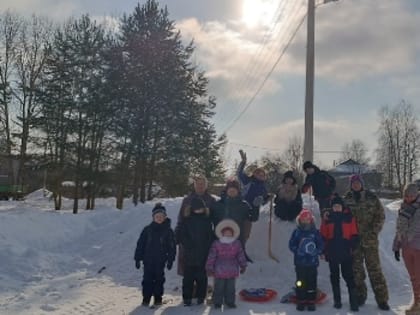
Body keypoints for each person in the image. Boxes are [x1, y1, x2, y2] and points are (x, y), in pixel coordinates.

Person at [343, 174, 390, 310]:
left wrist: (374, 232)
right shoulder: (347, 199)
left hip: (370, 241)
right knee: (357, 271)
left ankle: (382, 300)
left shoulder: (372, 198)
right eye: (353, 183)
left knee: (374, 270)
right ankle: (360, 296)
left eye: (358, 182)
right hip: (354, 241)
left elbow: (380, 216)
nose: (356, 185)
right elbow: (342, 217)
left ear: (362, 183)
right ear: (351, 185)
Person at [320, 195, 359, 312]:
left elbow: (354, 234)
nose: (337, 208)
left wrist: (352, 246)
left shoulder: (349, 218)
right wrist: (323, 250)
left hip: (346, 252)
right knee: (334, 277)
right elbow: (323, 236)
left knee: (349, 277)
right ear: (332, 207)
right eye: (335, 206)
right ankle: (337, 301)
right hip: (332, 252)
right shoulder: (327, 219)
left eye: (339, 206)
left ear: (342, 207)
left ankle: (354, 302)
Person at [134, 203, 176, 307]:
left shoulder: (168, 231)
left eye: (161, 216)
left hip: (160, 261)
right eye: (157, 217)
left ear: (165, 217)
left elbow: (172, 247)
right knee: (147, 279)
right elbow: (140, 244)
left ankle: (158, 298)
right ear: (153, 217)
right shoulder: (147, 230)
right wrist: (138, 258)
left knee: (159, 280)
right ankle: (146, 298)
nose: (159, 218)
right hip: (148, 260)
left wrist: (170, 260)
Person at [176, 197, 214, 306]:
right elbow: (182, 235)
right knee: (188, 278)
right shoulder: (186, 220)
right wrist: (188, 245)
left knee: (202, 278)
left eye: (200, 208)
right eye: (196, 208)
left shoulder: (206, 220)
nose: (198, 210)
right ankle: (187, 298)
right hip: (189, 255)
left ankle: (201, 296)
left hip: (203, 255)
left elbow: (209, 236)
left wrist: (208, 246)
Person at [175, 175, 216, 276]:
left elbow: (215, 218)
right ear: (194, 185)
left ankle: (201, 287)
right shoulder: (187, 200)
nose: (200, 186)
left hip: (204, 236)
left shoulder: (211, 200)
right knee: (188, 264)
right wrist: (178, 233)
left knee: (203, 265)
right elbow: (181, 218)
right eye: (197, 184)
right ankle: (190, 287)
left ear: (206, 186)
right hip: (188, 235)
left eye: (202, 184)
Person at [206, 219, 247, 309]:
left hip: (232, 270)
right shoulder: (217, 243)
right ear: (222, 233)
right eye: (226, 232)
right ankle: (217, 302)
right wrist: (209, 267)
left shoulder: (236, 243)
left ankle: (230, 302)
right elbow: (212, 256)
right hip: (219, 270)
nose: (228, 234)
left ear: (233, 233)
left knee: (230, 288)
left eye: (230, 233)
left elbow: (240, 255)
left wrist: (243, 265)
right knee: (218, 287)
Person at [392, 183, 420, 315]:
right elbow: (399, 230)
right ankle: (417, 302)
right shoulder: (402, 209)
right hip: (406, 248)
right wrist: (396, 247)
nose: (409, 198)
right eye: (407, 195)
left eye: (412, 195)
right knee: (413, 277)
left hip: (418, 248)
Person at [289, 209, 324, 311]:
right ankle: (301, 300)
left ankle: (311, 301)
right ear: (300, 220)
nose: (305, 221)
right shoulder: (297, 232)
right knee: (300, 282)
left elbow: (321, 244)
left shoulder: (315, 232)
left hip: (312, 263)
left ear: (311, 220)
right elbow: (291, 245)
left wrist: (317, 251)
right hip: (300, 263)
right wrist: (297, 250)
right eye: (303, 219)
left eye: (307, 219)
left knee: (312, 282)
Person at [210, 179, 253, 260]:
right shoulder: (217, 205)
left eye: (235, 189)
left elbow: (252, 218)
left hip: (237, 238)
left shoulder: (244, 205)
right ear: (226, 190)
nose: (232, 191)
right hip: (220, 238)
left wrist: (256, 207)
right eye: (230, 189)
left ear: (238, 191)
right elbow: (209, 218)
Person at [237, 150, 269, 241]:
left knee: (245, 235)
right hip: (241, 210)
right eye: (258, 174)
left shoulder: (264, 188)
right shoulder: (248, 181)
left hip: (252, 213)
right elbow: (239, 173)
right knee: (236, 232)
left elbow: (264, 201)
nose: (260, 176)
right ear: (254, 174)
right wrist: (243, 162)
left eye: (263, 175)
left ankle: (242, 252)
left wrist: (265, 199)